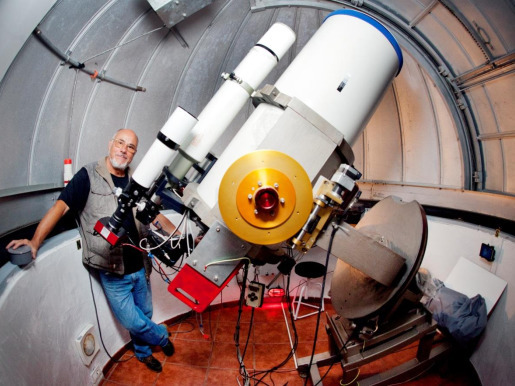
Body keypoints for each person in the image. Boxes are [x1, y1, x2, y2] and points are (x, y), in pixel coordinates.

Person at [6, 129, 175, 373]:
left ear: (134, 153)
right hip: (112, 270)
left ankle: (143, 352)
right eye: (120, 143)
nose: (123, 150)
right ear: (110, 144)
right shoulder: (88, 175)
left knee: (145, 314)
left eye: (130, 147)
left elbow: (154, 215)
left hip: (141, 265)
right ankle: (161, 337)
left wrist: (180, 236)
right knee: (131, 320)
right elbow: (61, 207)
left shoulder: (137, 180)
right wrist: (35, 241)